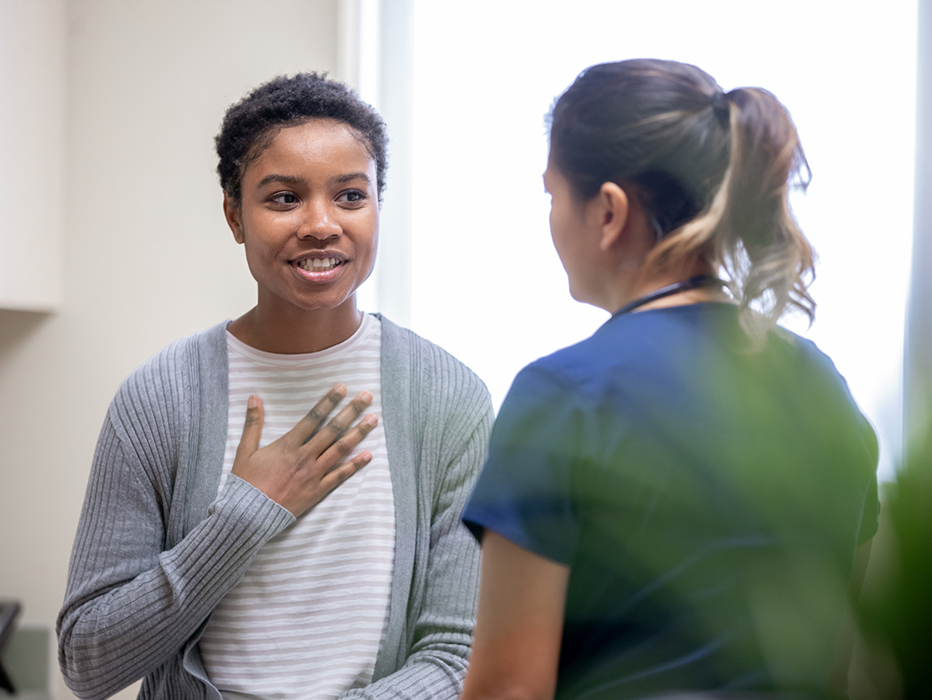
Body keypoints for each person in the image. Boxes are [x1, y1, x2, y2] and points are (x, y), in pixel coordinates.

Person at [58, 73, 492, 700]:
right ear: (235, 216)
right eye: (284, 198)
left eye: (349, 195)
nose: (321, 224)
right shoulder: (158, 400)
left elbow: (460, 658)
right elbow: (87, 662)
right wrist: (243, 516)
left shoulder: (448, 398)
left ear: (377, 207)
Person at [460, 59, 879, 700]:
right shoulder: (825, 389)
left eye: (551, 196)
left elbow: (507, 691)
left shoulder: (564, 397)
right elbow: (835, 666)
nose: (549, 220)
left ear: (607, 211)